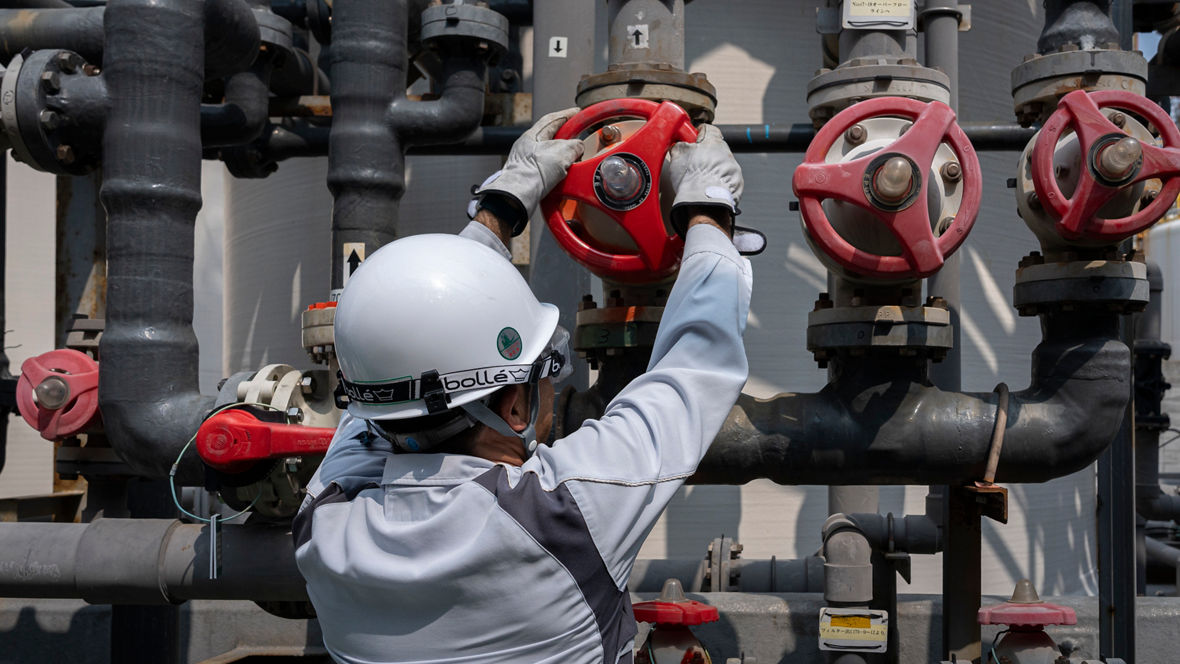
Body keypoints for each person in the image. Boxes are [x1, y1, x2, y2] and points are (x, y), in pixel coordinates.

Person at [294, 107, 756, 664]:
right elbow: (696, 362)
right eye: (546, 368)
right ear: (514, 405)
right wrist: (708, 207)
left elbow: (393, 369)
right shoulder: (563, 517)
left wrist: (497, 212)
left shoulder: (324, 525)